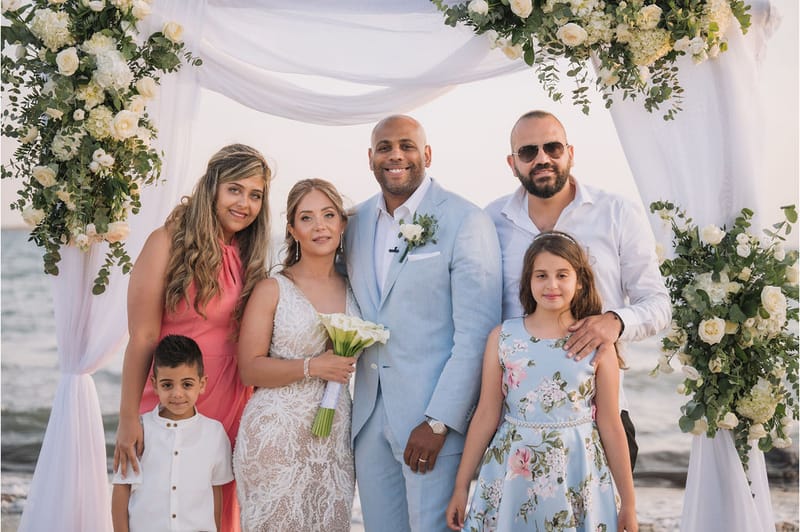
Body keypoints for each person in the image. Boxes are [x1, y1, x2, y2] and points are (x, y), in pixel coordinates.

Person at [485, 110, 671, 468]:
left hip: (602, 412)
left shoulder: (617, 213)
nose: (542, 158)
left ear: (570, 152)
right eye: (529, 152)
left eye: (553, 148)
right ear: (513, 163)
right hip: (517, 418)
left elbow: (658, 304)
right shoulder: (490, 221)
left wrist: (614, 322)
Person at [345, 115, 502, 532]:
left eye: (407, 145)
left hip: (432, 425)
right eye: (384, 147)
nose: (395, 155)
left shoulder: (466, 221)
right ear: (371, 158)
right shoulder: (354, 223)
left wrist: (439, 421)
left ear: (427, 154)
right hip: (368, 422)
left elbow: (477, 336)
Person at [114, 144, 272, 532]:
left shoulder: (247, 251)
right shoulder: (165, 242)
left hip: (231, 401)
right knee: (159, 501)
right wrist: (127, 418)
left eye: (255, 195)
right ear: (212, 187)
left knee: (215, 508)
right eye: (235, 189)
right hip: (174, 395)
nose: (245, 203)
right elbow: (143, 336)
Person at [445, 231, 638, 532]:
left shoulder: (598, 344)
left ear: (580, 281)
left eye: (562, 275)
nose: (552, 285)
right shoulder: (503, 337)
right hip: (511, 473)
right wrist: (461, 487)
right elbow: (486, 414)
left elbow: (611, 425)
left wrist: (628, 503)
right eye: (541, 275)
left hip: (579, 471)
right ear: (528, 281)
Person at [233, 178, 358, 531]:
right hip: (276, 436)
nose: (320, 225)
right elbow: (250, 369)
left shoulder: (357, 287)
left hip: (333, 439)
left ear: (342, 224)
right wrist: (313, 366)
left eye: (328, 214)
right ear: (292, 230)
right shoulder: (273, 289)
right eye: (307, 218)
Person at [112, 334, 234, 532]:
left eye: (187, 384)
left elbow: (216, 490)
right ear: (155, 384)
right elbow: (121, 489)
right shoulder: (140, 431)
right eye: (168, 385)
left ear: (202, 384)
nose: (177, 393)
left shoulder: (214, 433)